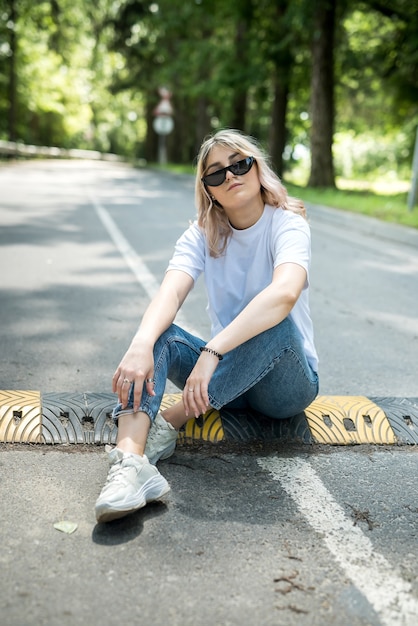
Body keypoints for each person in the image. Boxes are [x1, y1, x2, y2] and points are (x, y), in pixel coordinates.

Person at [95, 129, 319, 523]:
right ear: (209, 189)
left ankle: (170, 422)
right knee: (157, 337)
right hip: (228, 384)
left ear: (257, 168)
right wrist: (140, 343)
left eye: (239, 163)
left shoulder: (288, 224)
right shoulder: (202, 234)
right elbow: (171, 294)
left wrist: (213, 351)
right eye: (216, 173)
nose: (230, 175)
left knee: (277, 324)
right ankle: (130, 465)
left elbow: (284, 295)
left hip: (284, 387)